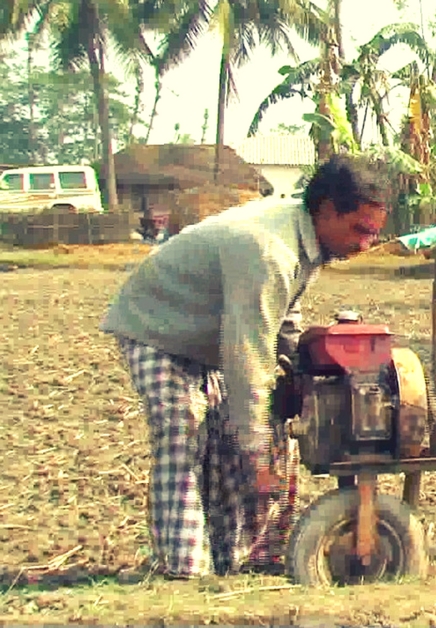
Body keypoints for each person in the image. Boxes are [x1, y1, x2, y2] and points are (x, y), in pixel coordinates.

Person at [99, 154, 391, 579]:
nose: (366, 245)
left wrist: (301, 360)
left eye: (374, 234)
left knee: (259, 434)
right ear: (328, 210)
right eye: (361, 231)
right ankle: (185, 575)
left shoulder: (305, 239)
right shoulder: (269, 250)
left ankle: (249, 563)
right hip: (158, 327)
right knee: (184, 433)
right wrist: (256, 454)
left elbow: (277, 321)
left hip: (214, 335)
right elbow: (247, 355)